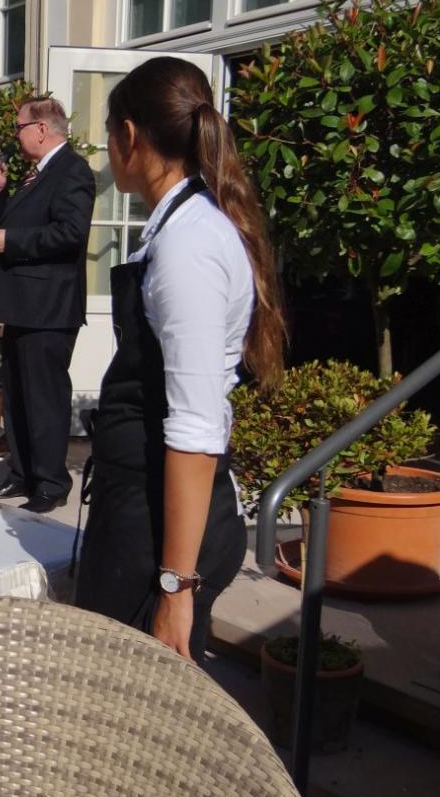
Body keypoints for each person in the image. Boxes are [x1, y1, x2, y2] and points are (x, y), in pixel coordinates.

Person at [74, 56, 285, 663]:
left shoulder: (189, 243)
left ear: (129, 135)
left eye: (108, 133)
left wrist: (175, 586)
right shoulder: (181, 228)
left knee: (131, 705)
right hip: (140, 512)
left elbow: (195, 427)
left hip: (157, 532)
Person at [0, 96, 95, 513]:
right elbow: (21, 222)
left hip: (49, 307)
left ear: (42, 129)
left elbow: (71, 233)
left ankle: (50, 483)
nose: (16, 135)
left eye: (19, 127)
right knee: (17, 395)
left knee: (44, 398)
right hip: (23, 306)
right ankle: (23, 472)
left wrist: (12, 241)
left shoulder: (72, 170)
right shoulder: (38, 174)